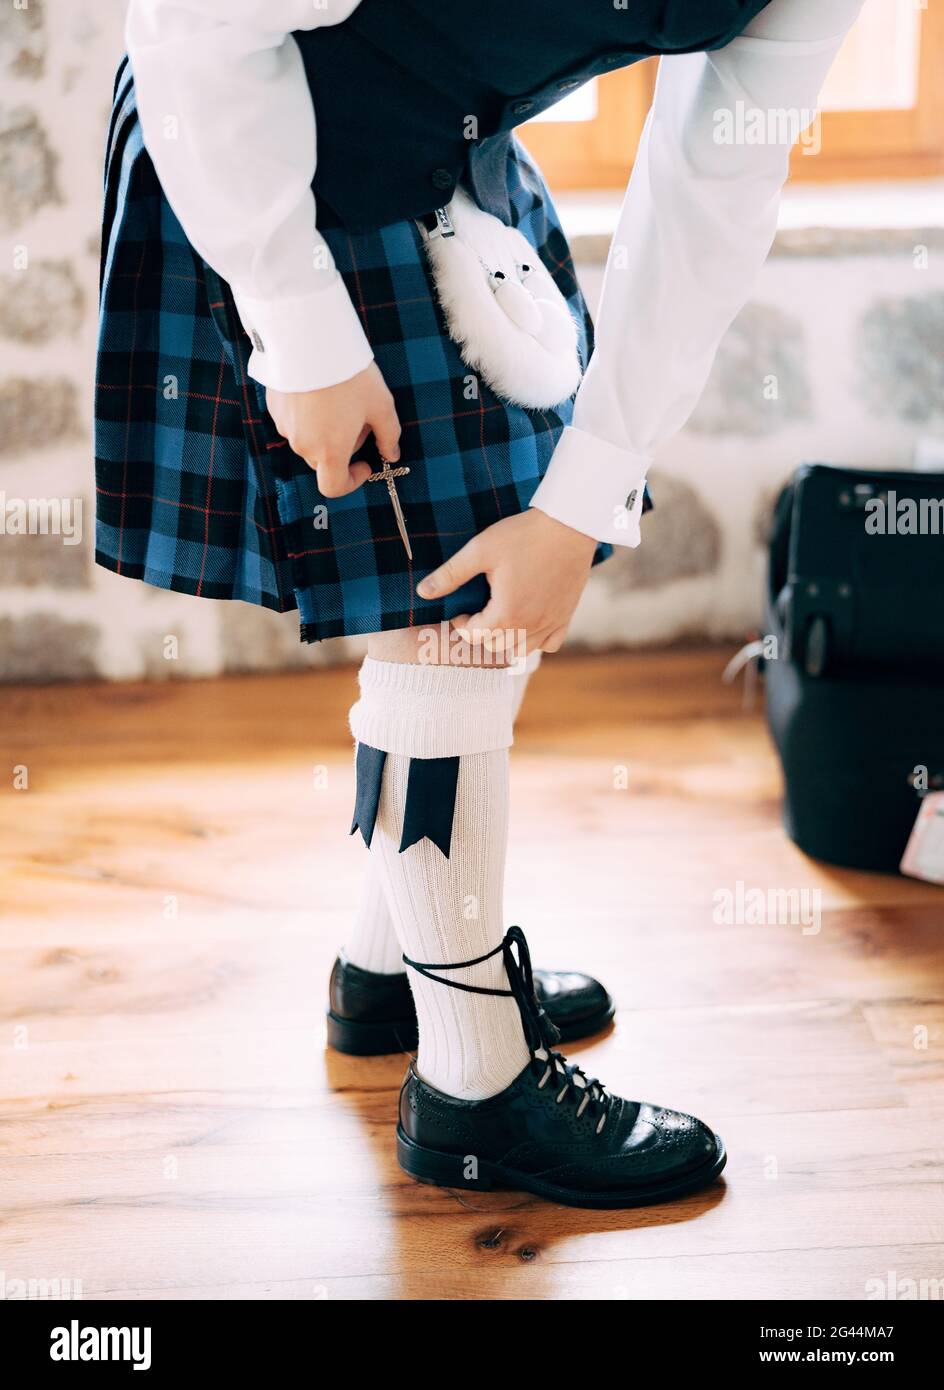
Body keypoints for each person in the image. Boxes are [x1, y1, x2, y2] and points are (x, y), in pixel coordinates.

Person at [97, 0, 863, 1208]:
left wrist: (581, 505)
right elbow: (188, 18)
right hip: (258, 151)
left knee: (500, 569)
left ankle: (391, 970)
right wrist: (295, 322)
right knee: (445, 618)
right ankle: (471, 1083)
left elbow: (714, 181)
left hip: (451, 156)